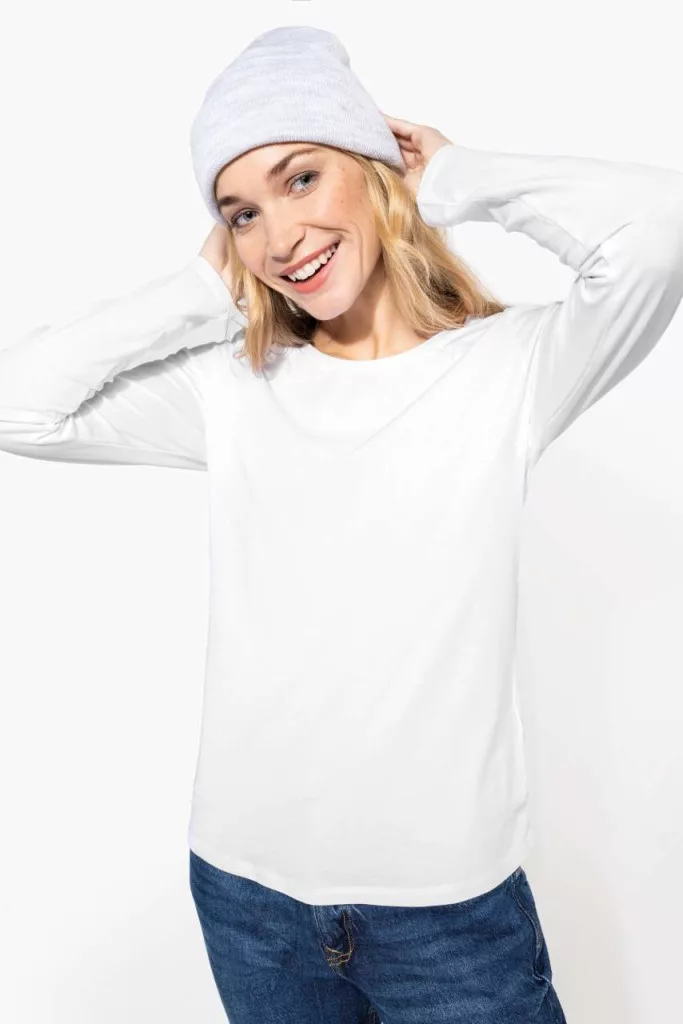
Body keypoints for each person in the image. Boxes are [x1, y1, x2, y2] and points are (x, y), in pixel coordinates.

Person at [2, 22, 683, 1024]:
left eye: (302, 177)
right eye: (241, 212)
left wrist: (459, 177)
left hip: (446, 915)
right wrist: (198, 290)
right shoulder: (234, 390)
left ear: (373, 171)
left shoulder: (509, 369)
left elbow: (659, 225)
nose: (279, 237)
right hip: (246, 896)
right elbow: (18, 403)